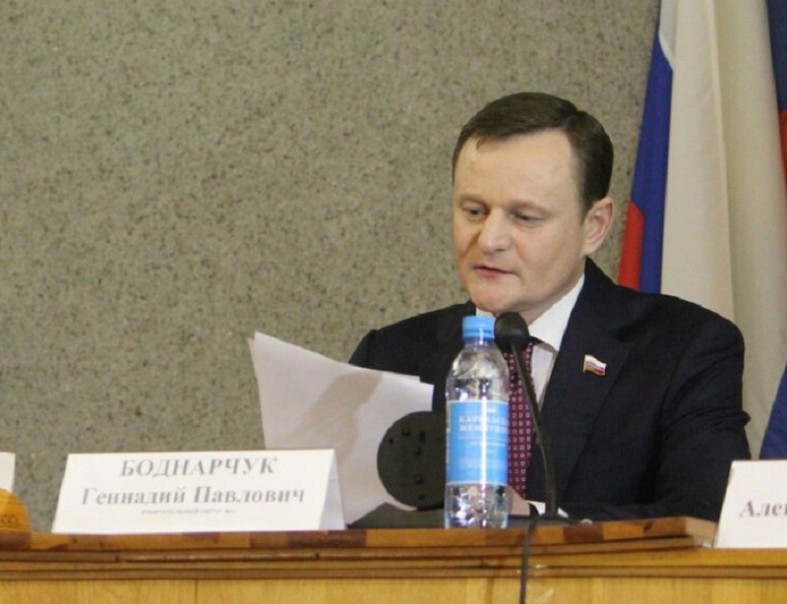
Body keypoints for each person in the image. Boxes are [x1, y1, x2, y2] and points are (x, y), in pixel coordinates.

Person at [349, 91, 751, 522]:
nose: (489, 240)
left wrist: (531, 516)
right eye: (474, 211)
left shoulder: (682, 349)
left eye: (525, 217)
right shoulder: (389, 357)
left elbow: (707, 517)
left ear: (594, 226)